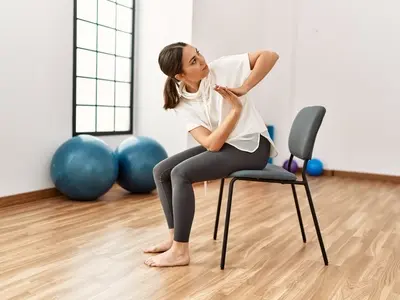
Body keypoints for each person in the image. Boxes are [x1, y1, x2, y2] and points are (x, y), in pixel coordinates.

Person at [143, 42, 279, 267]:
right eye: (193, 61)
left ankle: (180, 251)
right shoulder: (181, 101)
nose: (202, 60)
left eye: (198, 54)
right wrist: (235, 111)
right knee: (161, 171)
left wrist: (245, 88)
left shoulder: (222, 68)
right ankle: (173, 238)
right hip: (226, 145)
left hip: (252, 146)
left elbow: (270, 55)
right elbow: (211, 143)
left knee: (181, 173)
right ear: (180, 75)